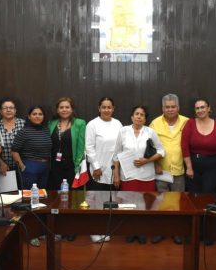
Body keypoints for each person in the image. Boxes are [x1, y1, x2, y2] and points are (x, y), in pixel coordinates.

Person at [113, 105, 164, 245]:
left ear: (145, 118)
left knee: (144, 205)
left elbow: (161, 151)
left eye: (142, 115)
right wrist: (116, 174)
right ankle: (130, 231)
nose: (139, 116)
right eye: (136, 114)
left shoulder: (150, 132)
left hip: (146, 175)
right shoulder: (123, 131)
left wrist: (147, 160)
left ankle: (141, 232)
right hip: (127, 175)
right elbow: (116, 154)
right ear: (132, 116)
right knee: (128, 205)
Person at [149, 93, 188, 245]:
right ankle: (160, 232)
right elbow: (149, 146)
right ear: (162, 108)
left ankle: (177, 232)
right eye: (167, 107)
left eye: (173, 107)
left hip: (179, 170)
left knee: (177, 203)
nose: (170, 109)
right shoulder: (155, 123)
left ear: (178, 107)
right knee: (160, 203)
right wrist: (155, 164)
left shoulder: (187, 122)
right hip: (161, 170)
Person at [85, 97, 122, 243]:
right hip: (97, 170)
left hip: (112, 169)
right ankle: (94, 230)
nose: (107, 110)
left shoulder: (118, 124)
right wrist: (96, 167)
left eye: (109, 107)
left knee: (108, 201)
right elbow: (89, 147)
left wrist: (117, 171)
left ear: (113, 108)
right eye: (104, 107)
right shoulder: (92, 124)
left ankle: (105, 229)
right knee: (95, 200)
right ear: (99, 108)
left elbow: (119, 148)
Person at [181, 98, 216, 193]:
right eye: (197, 108)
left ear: (208, 108)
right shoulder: (190, 123)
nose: (200, 110)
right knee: (194, 197)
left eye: (202, 107)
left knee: (208, 195)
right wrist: (189, 167)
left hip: (213, 166)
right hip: (194, 166)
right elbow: (184, 146)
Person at [48, 97, 86, 189]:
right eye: (61, 107)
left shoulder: (80, 123)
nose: (64, 110)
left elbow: (81, 147)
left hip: (72, 166)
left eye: (67, 107)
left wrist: (77, 165)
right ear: (57, 110)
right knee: (55, 194)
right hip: (54, 165)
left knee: (72, 195)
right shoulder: (51, 123)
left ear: (72, 109)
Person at [12, 106, 52, 189]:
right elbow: (14, 151)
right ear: (29, 116)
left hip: (45, 166)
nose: (37, 116)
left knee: (42, 193)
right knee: (29, 195)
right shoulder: (23, 131)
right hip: (29, 166)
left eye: (40, 114)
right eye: (34, 114)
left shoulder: (46, 130)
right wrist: (22, 166)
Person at [0, 98, 25, 182]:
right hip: (4, 168)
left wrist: (23, 165)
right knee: (8, 194)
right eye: (5, 108)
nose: (8, 110)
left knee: (24, 193)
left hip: (23, 166)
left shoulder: (24, 124)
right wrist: (1, 163)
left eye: (11, 108)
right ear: (1, 111)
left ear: (15, 111)